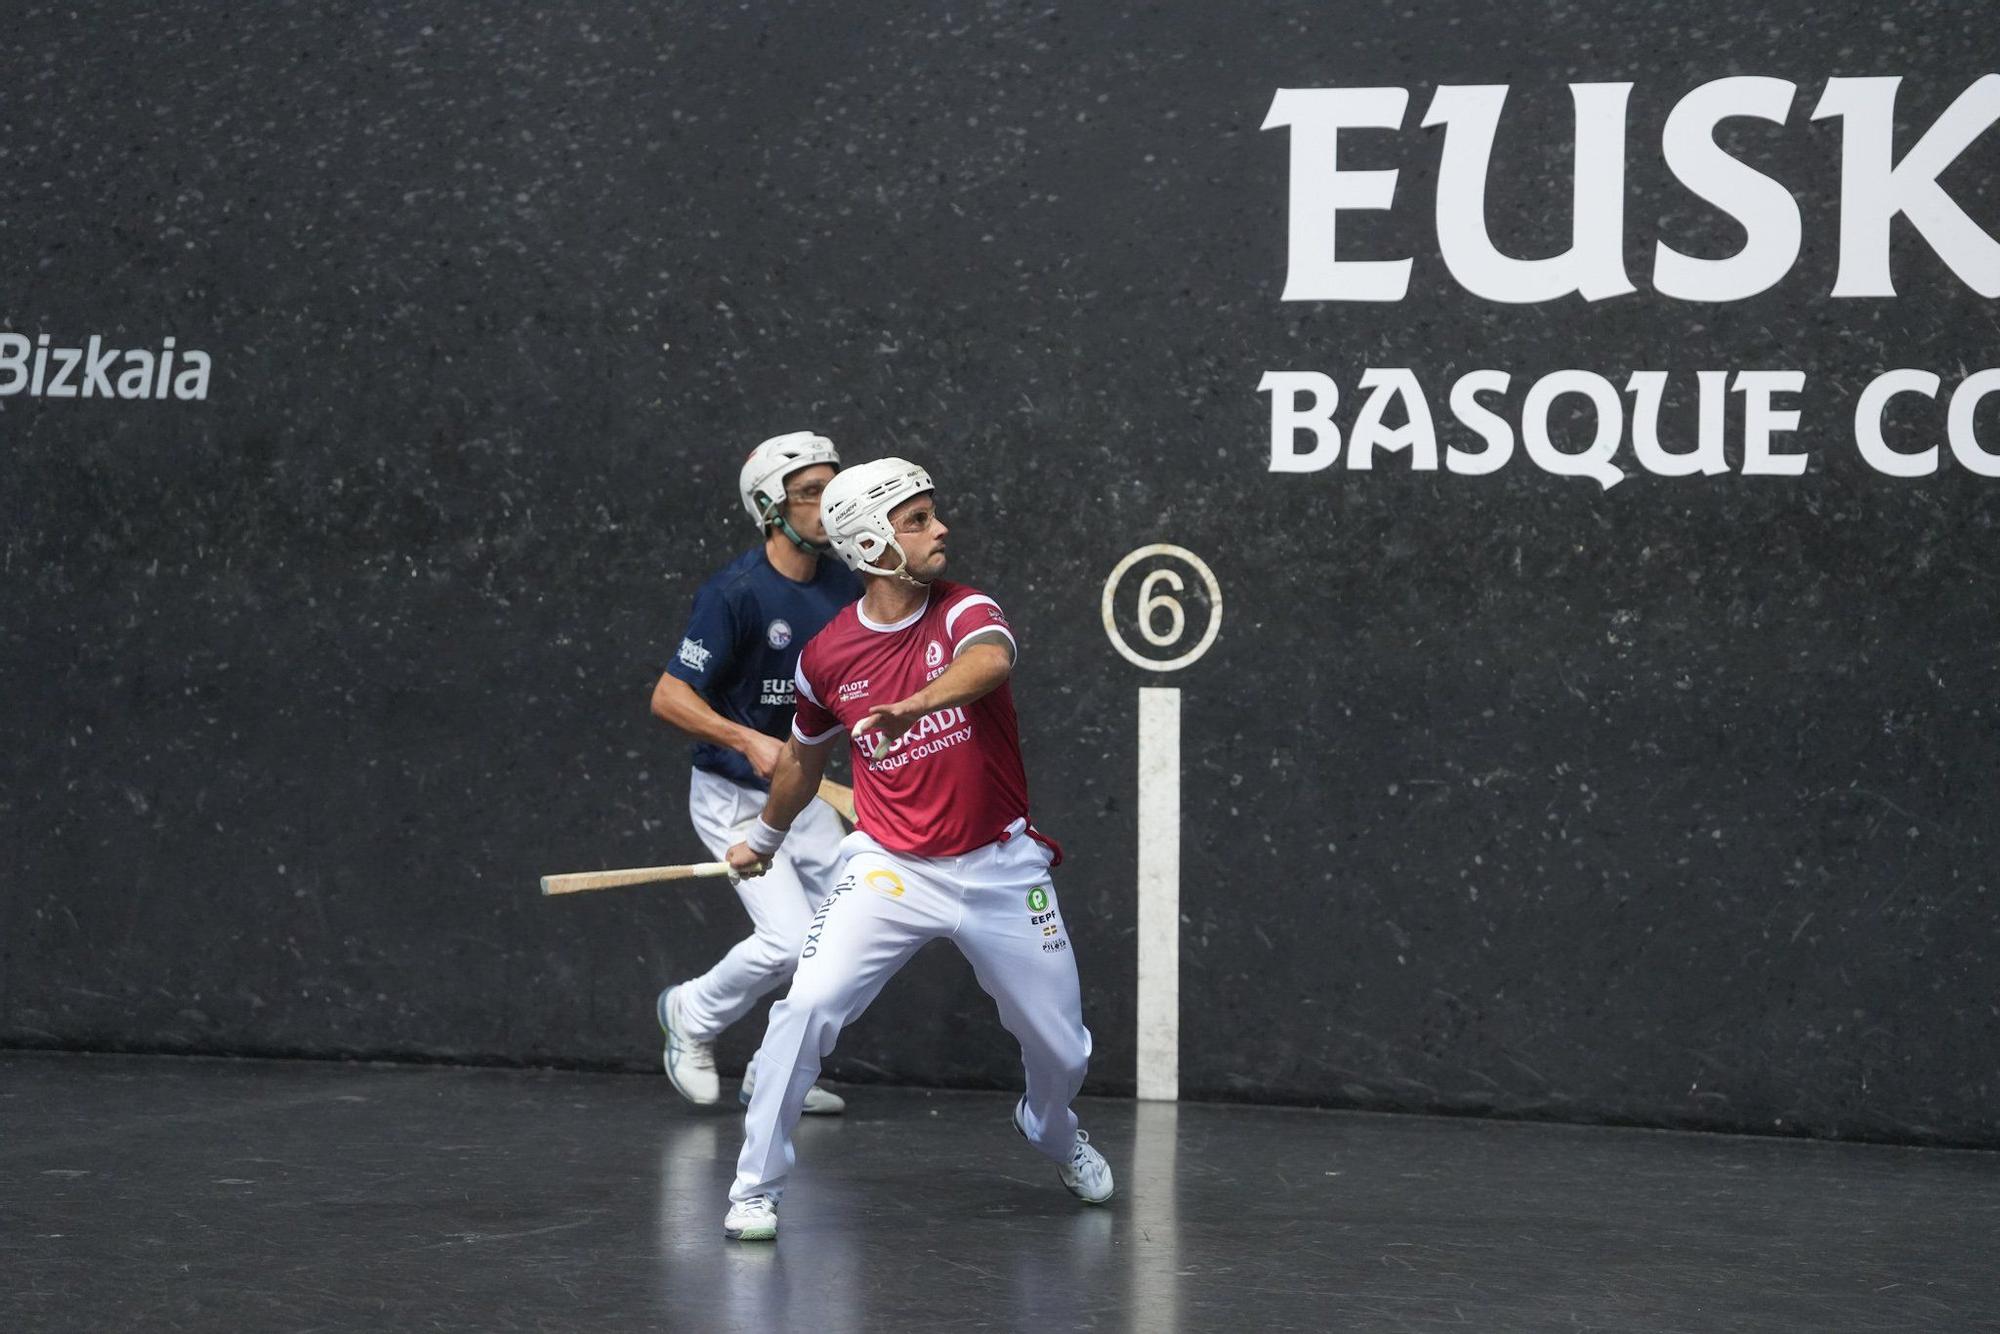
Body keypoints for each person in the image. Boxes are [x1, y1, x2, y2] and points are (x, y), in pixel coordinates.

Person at [715, 456, 1112, 1242]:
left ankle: (1050, 1126)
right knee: (806, 1007)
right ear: (871, 541)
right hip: (891, 869)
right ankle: (754, 1188)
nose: (941, 529)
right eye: (918, 519)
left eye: (934, 514)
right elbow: (803, 758)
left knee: (1061, 1048)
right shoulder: (826, 656)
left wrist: (913, 705)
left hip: (1001, 867)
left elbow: (991, 660)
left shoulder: (966, 610)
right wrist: (765, 837)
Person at [649, 431, 861, 1117]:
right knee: (789, 941)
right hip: (734, 797)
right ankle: (690, 1015)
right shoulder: (734, 594)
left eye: (836, 487)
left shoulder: (843, 587)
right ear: (771, 507)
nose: (829, 505)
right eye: (811, 493)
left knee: (855, 937)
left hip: (809, 795)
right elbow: (669, 696)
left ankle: (777, 1067)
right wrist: (744, 737)